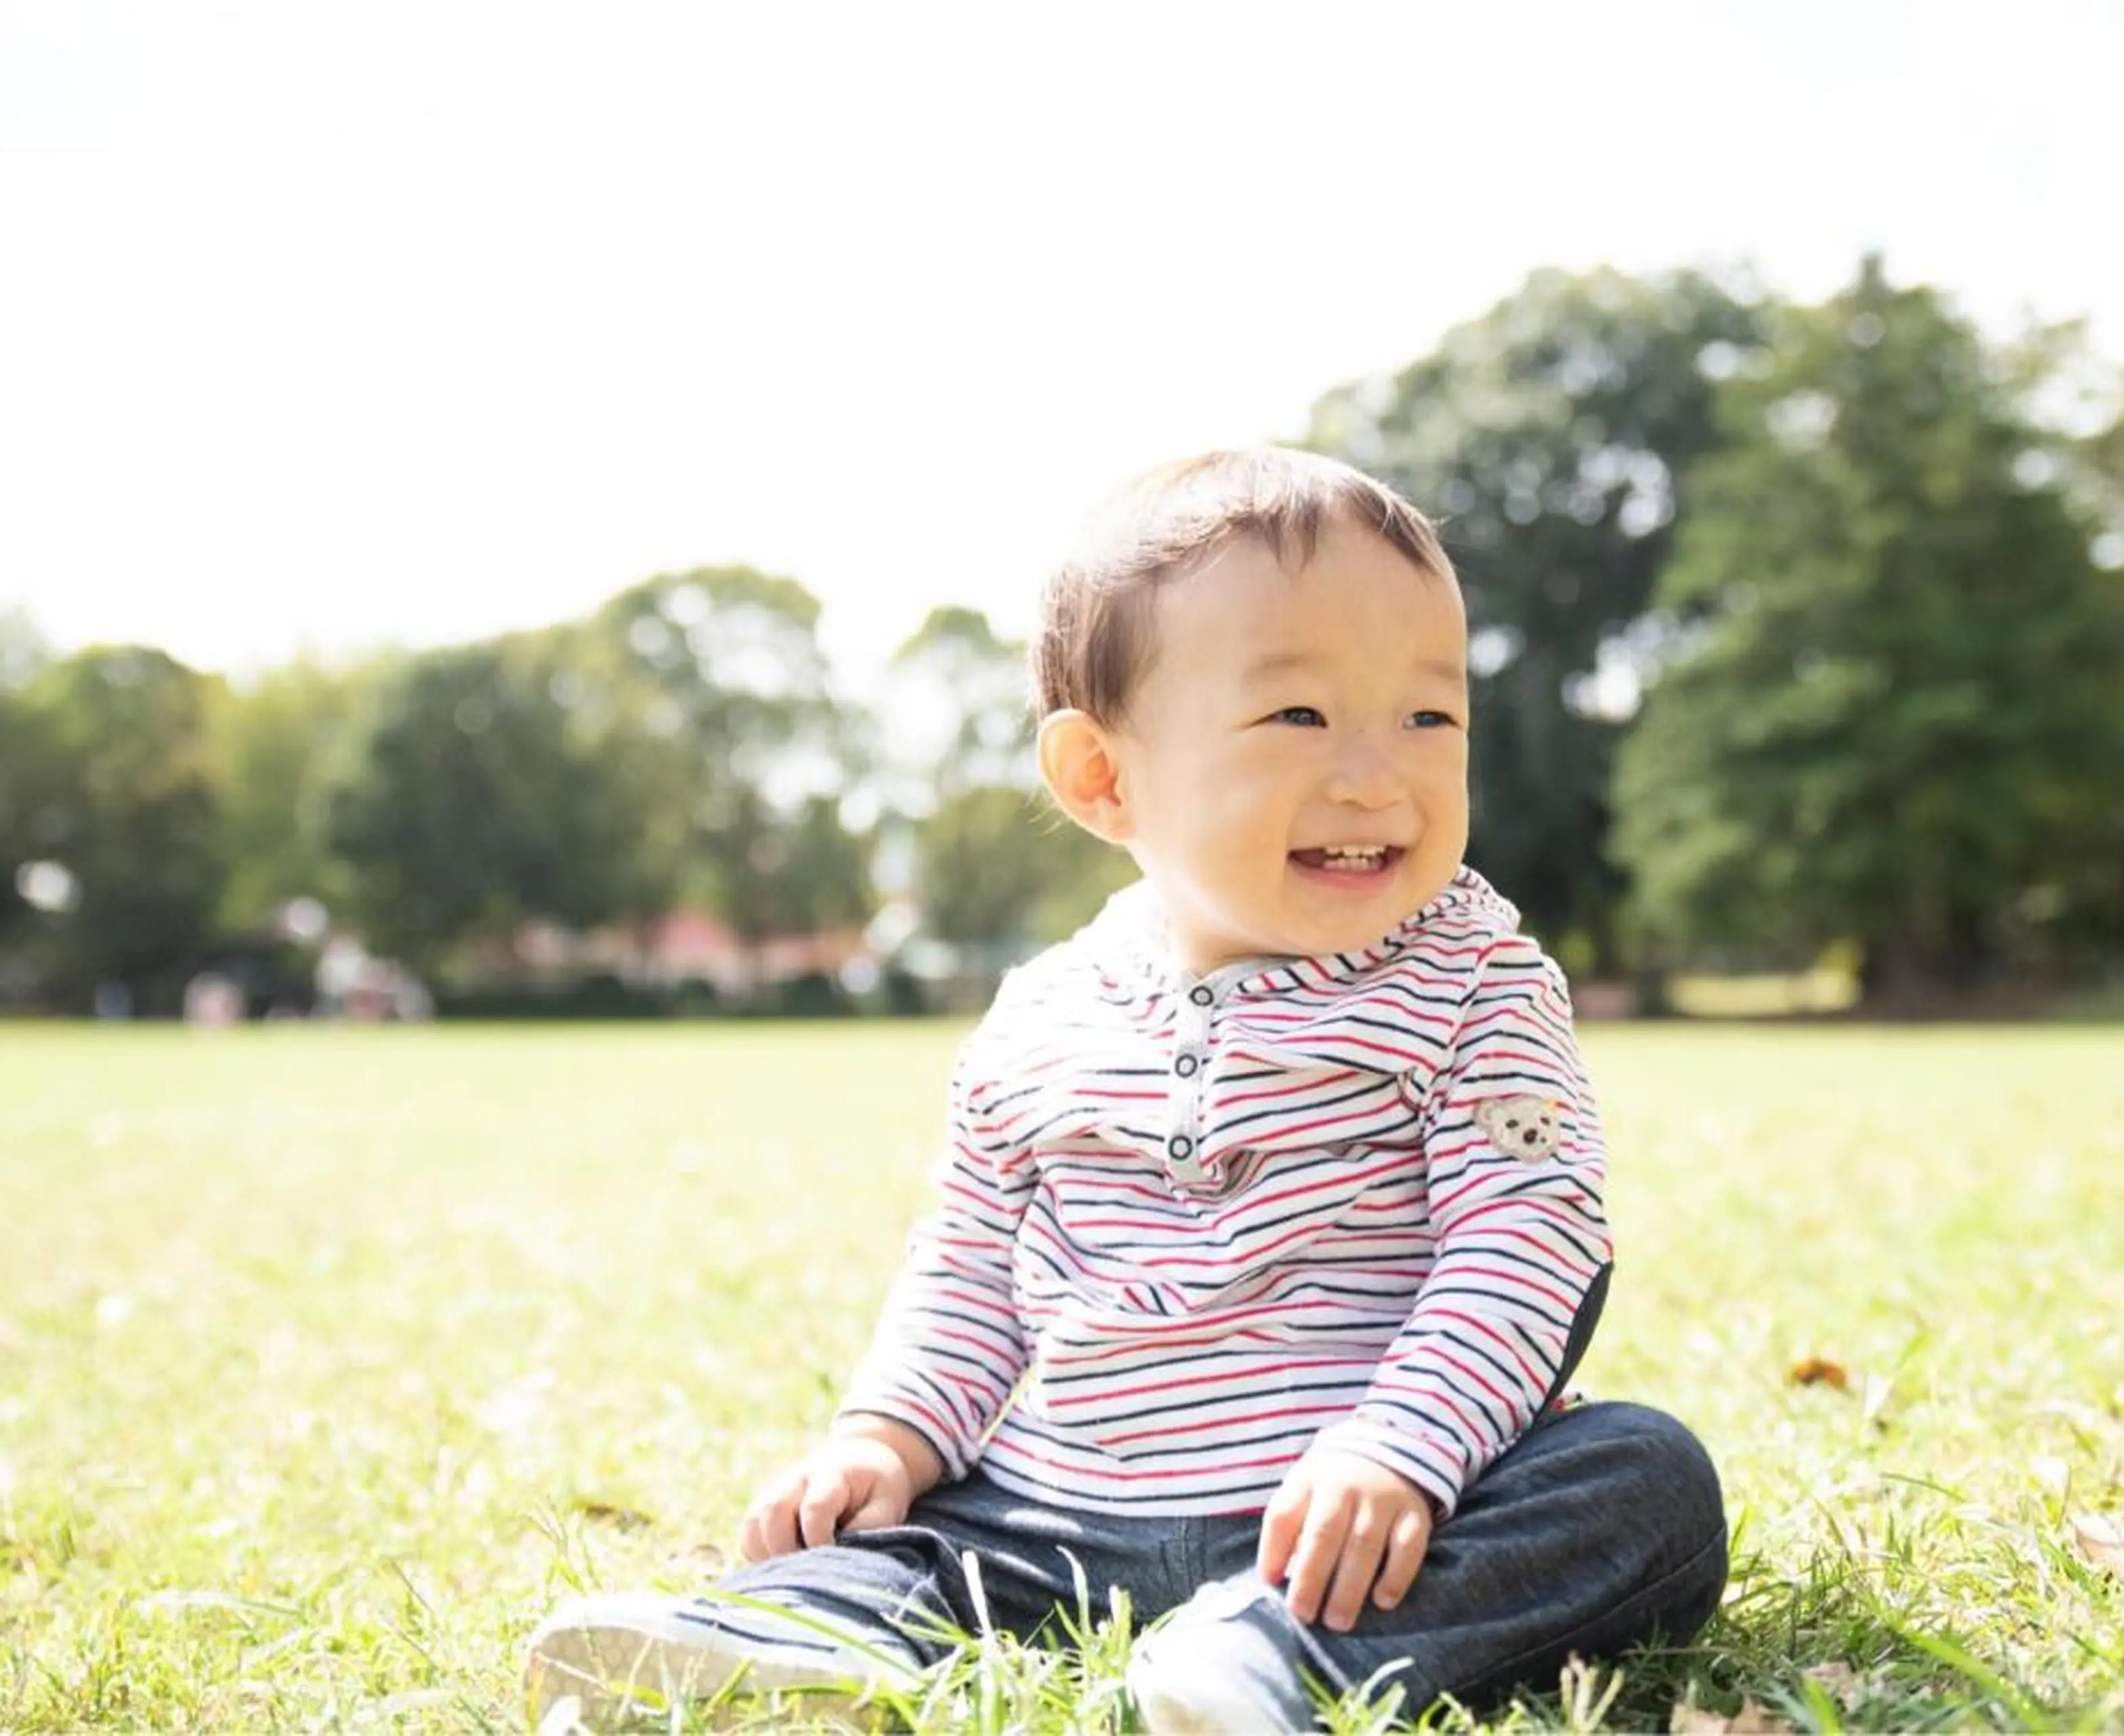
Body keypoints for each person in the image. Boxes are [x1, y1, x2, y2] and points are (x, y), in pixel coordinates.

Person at [524, 449, 1727, 1731]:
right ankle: (803, 1626)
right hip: (1058, 1504)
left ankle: (1270, 1662)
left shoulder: (1476, 980)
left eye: (1431, 718)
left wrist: (1398, 1448)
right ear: (1103, 777)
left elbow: (1527, 1239)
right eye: (1300, 718)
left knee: (1645, 1477)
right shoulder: (1042, 1013)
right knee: (919, 1533)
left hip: (1359, 1521)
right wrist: (887, 1435)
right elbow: (972, 1264)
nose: (1381, 774)